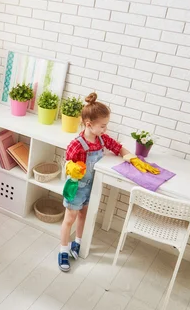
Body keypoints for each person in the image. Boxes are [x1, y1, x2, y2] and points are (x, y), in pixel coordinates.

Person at [59, 92, 159, 272]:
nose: (105, 129)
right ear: (89, 124)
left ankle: (78, 243)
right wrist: (70, 167)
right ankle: (63, 250)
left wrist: (132, 158)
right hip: (76, 187)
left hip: (91, 186)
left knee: (83, 215)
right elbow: (66, 161)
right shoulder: (77, 144)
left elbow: (118, 147)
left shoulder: (101, 139)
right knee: (69, 219)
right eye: (103, 126)